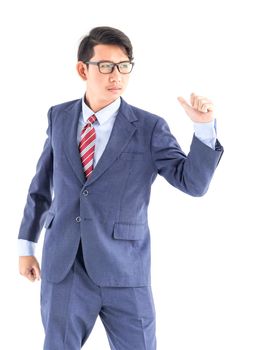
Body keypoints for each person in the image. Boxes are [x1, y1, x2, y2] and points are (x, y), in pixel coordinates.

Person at [18, 26, 223, 350]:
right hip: (64, 266)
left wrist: (203, 128)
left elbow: (193, 184)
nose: (117, 75)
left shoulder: (149, 127)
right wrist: (26, 246)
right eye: (107, 66)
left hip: (125, 271)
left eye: (124, 66)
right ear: (82, 69)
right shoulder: (59, 116)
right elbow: (41, 185)